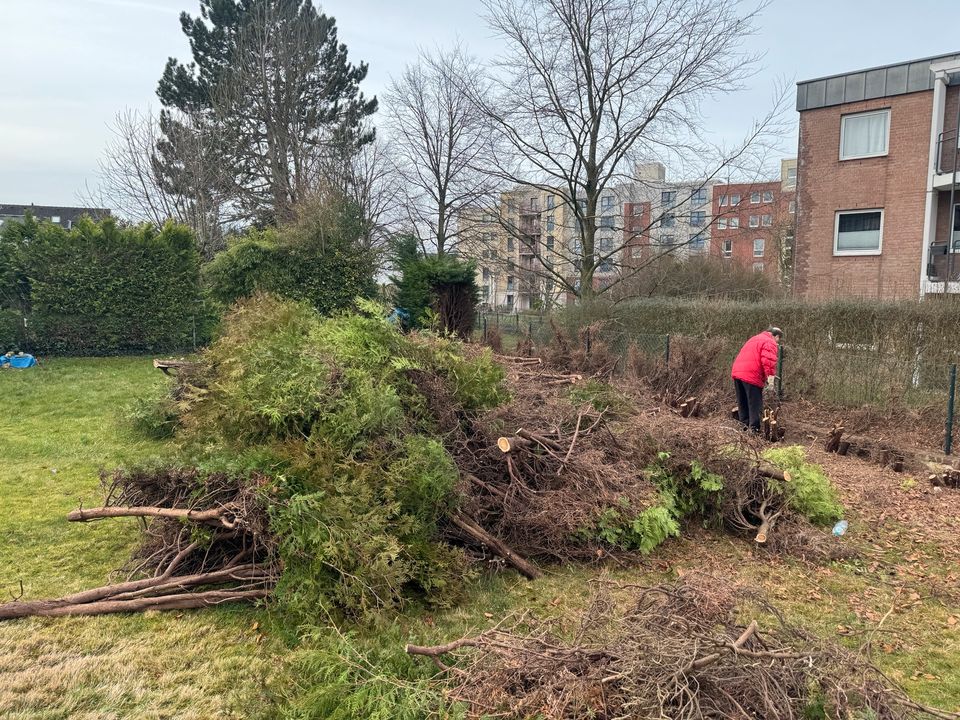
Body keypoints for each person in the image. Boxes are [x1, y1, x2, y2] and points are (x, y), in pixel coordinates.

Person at [730, 326, 782, 433]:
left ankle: (744, 429)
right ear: (776, 336)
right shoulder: (770, 342)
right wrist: (770, 379)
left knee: (742, 402)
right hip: (751, 375)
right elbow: (769, 361)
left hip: (737, 372)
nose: (777, 342)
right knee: (754, 404)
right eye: (778, 339)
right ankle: (754, 430)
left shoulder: (754, 338)